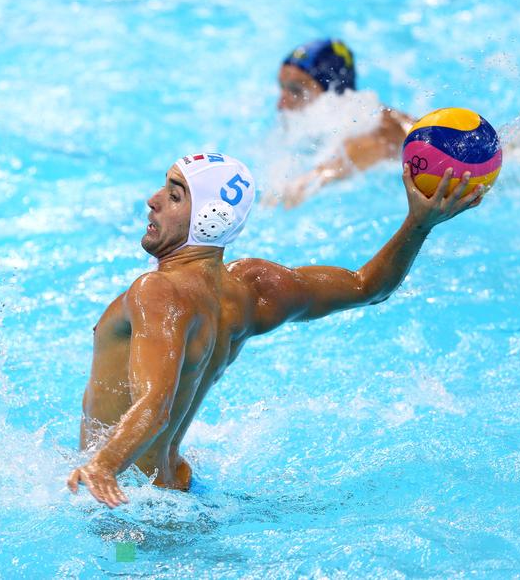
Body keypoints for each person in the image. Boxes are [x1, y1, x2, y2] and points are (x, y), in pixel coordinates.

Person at [67, 152, 484, 508]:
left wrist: (103, 466)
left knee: (121, 567)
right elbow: (367, 288)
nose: (152, 201)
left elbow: (155, 407)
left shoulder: (156, 292)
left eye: (174, 195)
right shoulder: (250, 290)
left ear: (210, 219)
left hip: (129, 513)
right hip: (182, 492)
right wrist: (419, 223)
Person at [268, 39, 414, 208]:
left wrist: (318, 176)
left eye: (295, 90)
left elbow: (374, 143)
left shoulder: (372, 119)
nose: (280, 104)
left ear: (331, 91)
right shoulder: (317, 125)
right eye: (282, 88)